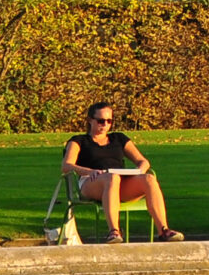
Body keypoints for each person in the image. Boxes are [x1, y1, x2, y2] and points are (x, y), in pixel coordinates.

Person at [61, 104, 182, 242]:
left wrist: (139, 170)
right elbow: (66, 165)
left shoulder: (119, 138)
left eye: (109, 121)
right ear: (89, 120)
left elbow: (143, 161)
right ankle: (114, 231)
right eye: (101, 121)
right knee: (112, 178)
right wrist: (90, 171)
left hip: (119, 181)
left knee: (148, 178)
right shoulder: (79, 141)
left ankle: (164, 230)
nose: (105, 125)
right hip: (91, 181)